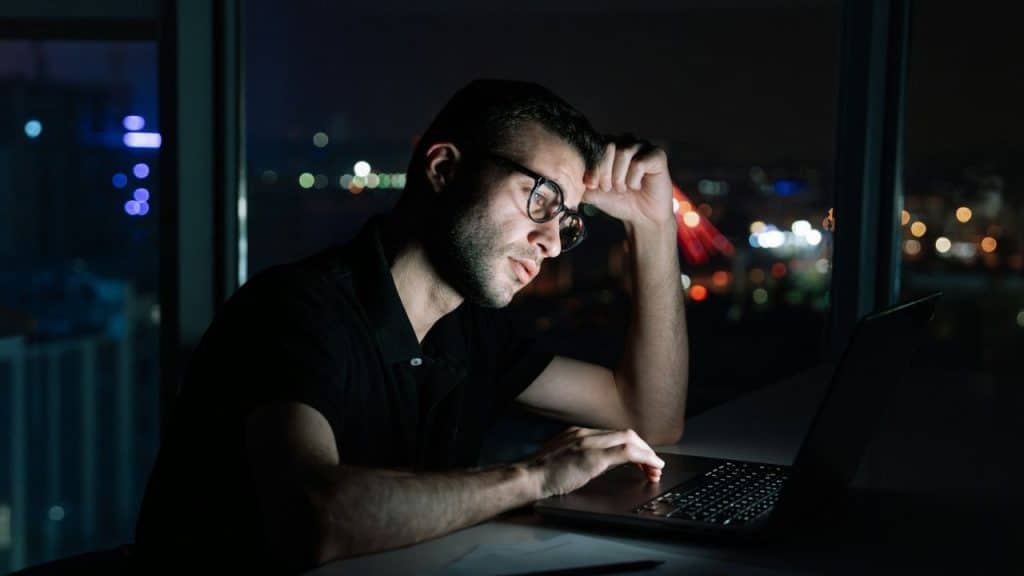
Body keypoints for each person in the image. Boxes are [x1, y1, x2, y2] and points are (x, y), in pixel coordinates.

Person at [134, 79, 688, 573]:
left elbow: (650, 416)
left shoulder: (468, 330)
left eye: (567, 222)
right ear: (444, 168)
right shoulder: (292, 311)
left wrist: (654, 226)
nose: (549, 242)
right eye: (540, 199)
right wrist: (534, 477)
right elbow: (313, 517)